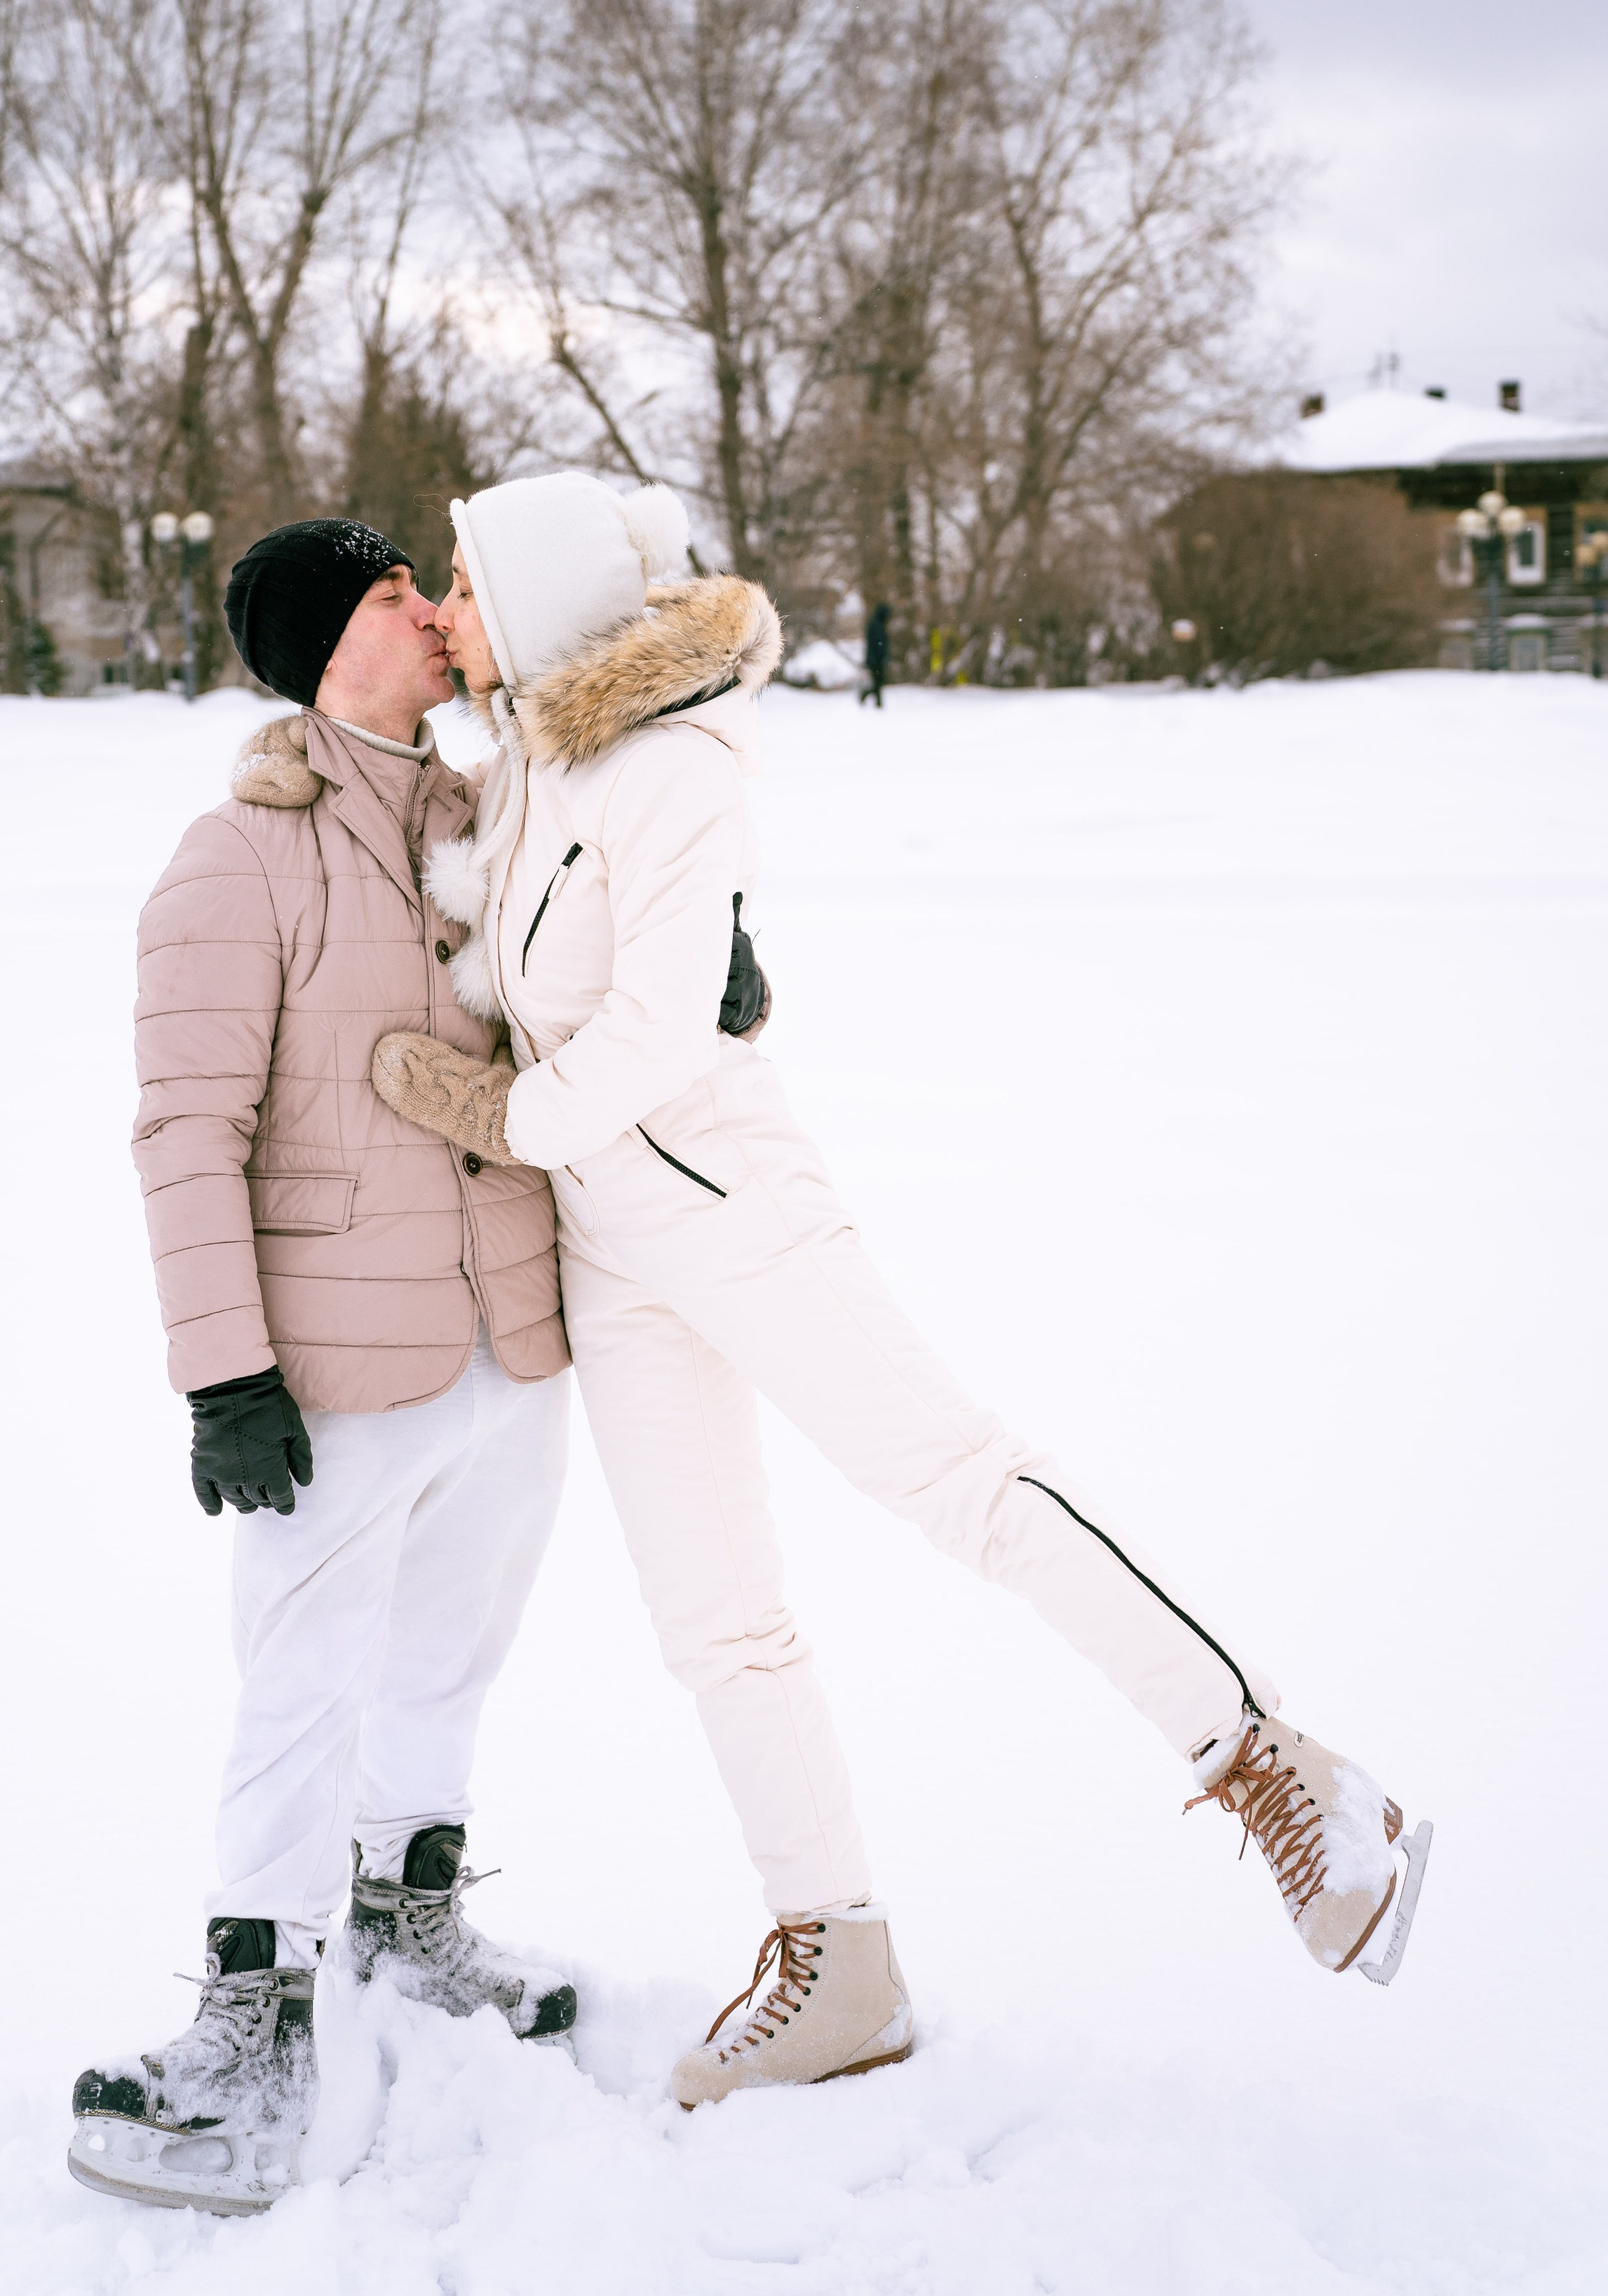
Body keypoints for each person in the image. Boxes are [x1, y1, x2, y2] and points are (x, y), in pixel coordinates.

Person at [368, 470, 1432, 2113]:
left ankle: (1277, 1767)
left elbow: (652, 1027)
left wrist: (498, 1114)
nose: (445, 605)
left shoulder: (668, 764)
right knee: (712, 1617)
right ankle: (837, 1958)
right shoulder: (529, 770)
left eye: (463, 578)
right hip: (610, 1245)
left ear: (543, 598)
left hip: (728, 1205)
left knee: (960, 1483)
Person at [68, 521, 577, 2218]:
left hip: (511, 1334)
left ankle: (407, 1915)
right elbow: (182, 1130)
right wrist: (225, 1373)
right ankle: (248, 2014)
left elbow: (588, 989)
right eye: (387, 592)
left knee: (448, 1661)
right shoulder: (239, 857)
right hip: (335, 1373)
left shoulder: (493, 821)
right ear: (317, 645)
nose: (429, 609)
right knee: (301, 1689)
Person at [860, 600, 891, 707]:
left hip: (876, 659)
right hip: (876, 660)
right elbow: (876, 645)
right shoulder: (877, 625)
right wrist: (877, 658)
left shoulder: (877, 624)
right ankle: (871, 699)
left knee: (878, 683)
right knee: (878, 683)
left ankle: (878, 703)